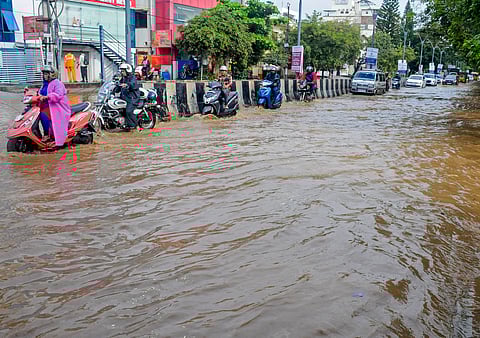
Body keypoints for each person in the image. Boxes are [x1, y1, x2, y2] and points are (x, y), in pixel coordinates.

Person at [38, 65, 72, 147]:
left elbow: (58, 95)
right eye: (44, 74)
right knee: (39, 115)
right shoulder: (44, 84)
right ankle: (45, 134)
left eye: (46, 74)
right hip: (46, 106)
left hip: (58, 107)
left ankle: (50, 136)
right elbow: (39, 93)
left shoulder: (58, 83)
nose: (44, 76)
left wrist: (48, 96)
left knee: (44, 115)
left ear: (52, 74)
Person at [116, 63, 141, 131]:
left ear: (127, 71)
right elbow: (118, 86)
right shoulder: (123, 78)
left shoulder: (132, 78)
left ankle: (134, 126)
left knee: (129, 111)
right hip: (125, 98)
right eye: (121, 71)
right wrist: (114, 89)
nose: (122, 72)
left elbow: (132, 84)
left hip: (132, 98)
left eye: (123, 71)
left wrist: (127, 85)